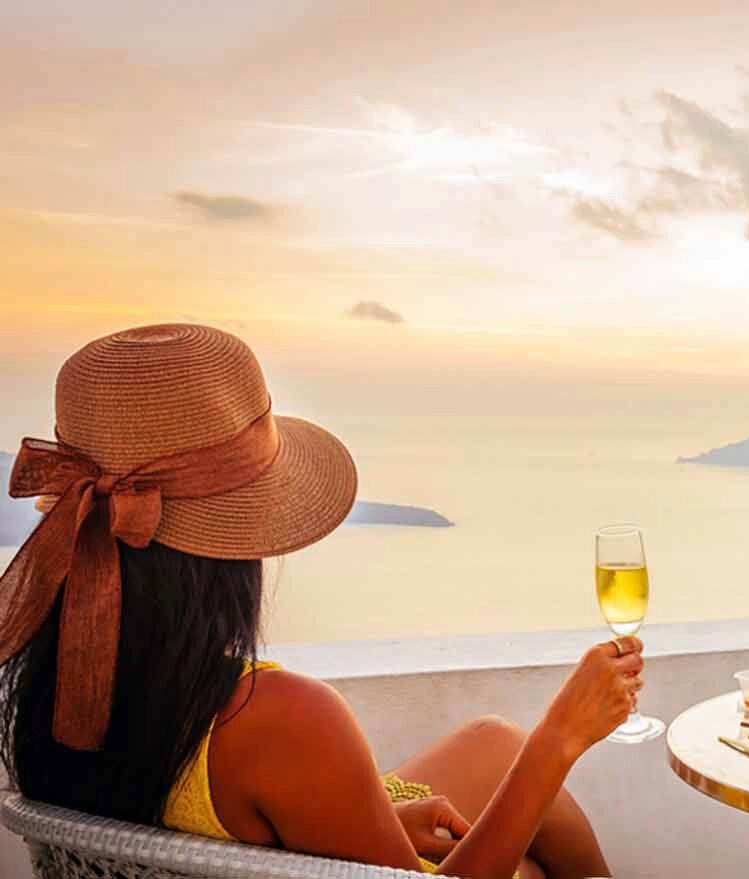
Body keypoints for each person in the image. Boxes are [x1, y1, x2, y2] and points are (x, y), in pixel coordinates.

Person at [0, 324, 641, 879]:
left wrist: (374, 821)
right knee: (526, 836)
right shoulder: (275, 716)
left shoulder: (45, 677)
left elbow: (202, 818)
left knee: (493, 741)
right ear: (235, 538)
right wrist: (562, 737)